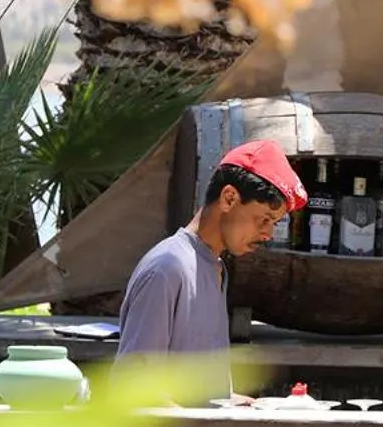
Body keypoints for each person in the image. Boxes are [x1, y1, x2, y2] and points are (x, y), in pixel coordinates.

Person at [116, 139, 307, 398]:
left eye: (274, 223)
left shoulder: (216, 269)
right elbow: (134, 392)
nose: (268, 233)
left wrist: (234, 403)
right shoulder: (167, 268)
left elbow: (198, 392)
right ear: (229, 198)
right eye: (264, 219)